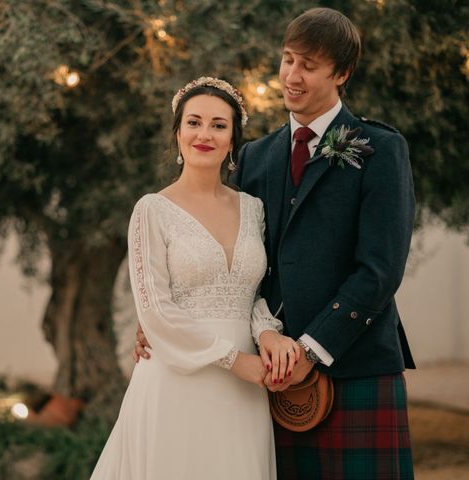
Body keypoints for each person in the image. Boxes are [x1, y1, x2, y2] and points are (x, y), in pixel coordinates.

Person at [135, 8, 416, 480]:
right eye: (288, 60)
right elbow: (237, 262)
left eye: (308, 65)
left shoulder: (380, 149)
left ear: (341, 73)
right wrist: (161, 321)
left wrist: (308, 351)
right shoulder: (255, 156)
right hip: (270, 375)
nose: (292, 75)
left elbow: (380, 270)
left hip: (354, 364)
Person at [91, 77, 299, 480]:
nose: (205, 134)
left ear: (233, 140)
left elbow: (254, 294)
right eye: (194, 122)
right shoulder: (151, 210)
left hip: (244, 390)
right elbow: (155, 312)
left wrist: (268, 334)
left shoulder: (253, 209)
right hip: (176, 380)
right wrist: (235, 361)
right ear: (178, 132)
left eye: (219, 125)